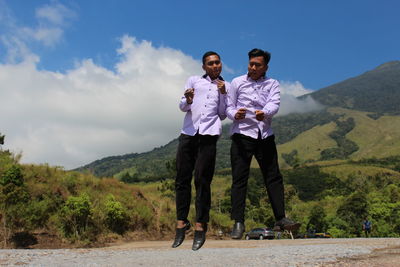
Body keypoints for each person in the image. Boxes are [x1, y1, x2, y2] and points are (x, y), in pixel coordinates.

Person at [226, 48, 300, 239]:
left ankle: (281, 219)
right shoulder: (237, 82)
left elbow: (274, 104)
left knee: (273, 177)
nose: (253, 67)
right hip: (242, 135)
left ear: (265, 67)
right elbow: (229, 106)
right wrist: (235, 114)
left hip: (264, 135)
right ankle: (238, 223)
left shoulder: (272, 83)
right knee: (240, 179)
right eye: (251, 63)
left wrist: (264, 113)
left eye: (257, 65)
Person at [172, 51, 229, 250]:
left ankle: (200, 226)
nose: (215, 66)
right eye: (211, 63)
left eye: (218, 63)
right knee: (181, 179)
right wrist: (187, 99)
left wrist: (223, 94)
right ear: (204, 67)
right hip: (188, 133)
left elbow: (222, 114)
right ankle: (181, 223)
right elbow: (181, 106)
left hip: (209, 134)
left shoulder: (226, 86)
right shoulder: (194, 80)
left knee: (202, 180)